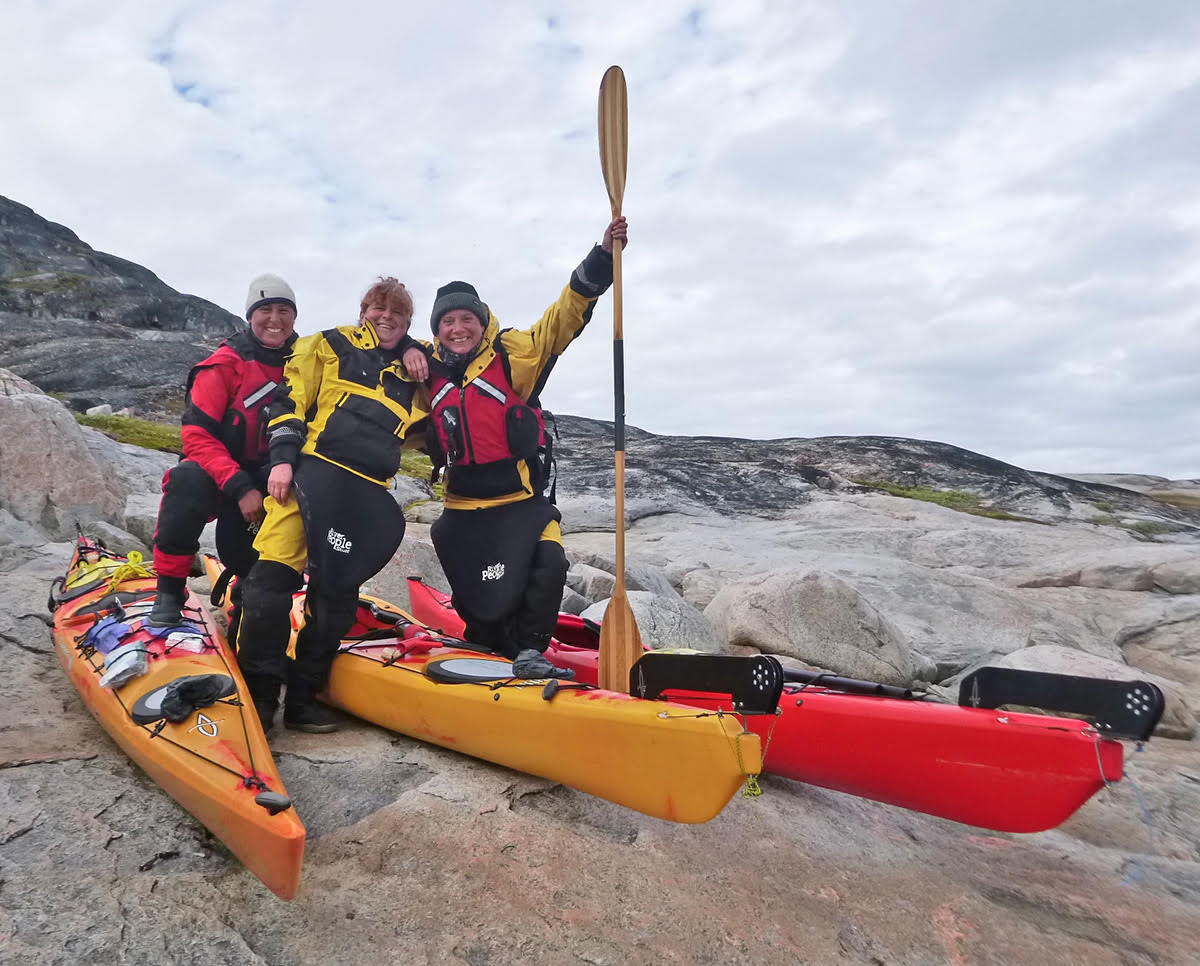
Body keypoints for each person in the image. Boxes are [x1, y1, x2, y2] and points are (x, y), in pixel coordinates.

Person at [404, 216, 628, 679]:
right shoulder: (427, 372)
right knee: (469, 576)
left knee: (548, 560)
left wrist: (602, 258)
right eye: (448, 321)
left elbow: (561, 320)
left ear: (481, 321)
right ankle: (485, 636)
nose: (458, 328)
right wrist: (406, 347)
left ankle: (530, 649)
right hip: (462, 506)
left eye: (467, 318)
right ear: (438, 328)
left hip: (520, 500)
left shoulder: (513, 355)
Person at [236, 277, 430, 733]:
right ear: (364, 310)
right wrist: (282, 463)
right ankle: (261, 699)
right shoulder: (327, 344)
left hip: (365, 494)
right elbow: (288, 403)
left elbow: (445, 389)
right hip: (311, 474)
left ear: (407, 322)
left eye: (397, 314)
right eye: (378, 308)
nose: (386, 318)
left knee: (336, 600)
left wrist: (414, 351)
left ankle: (304, 698)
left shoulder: (415, 372)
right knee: (269, 585)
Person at [148, 273, 299, 629]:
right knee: (185, 480)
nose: (274, 319)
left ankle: (253, 594)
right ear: (250, 315)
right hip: (223, 473)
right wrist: (240, 487)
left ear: (294, 317)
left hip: (274, 471)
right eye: (265, 310)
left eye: (283, 310)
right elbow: (196, 436)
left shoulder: (307, 359)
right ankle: (169, 590)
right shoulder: (224, 364)